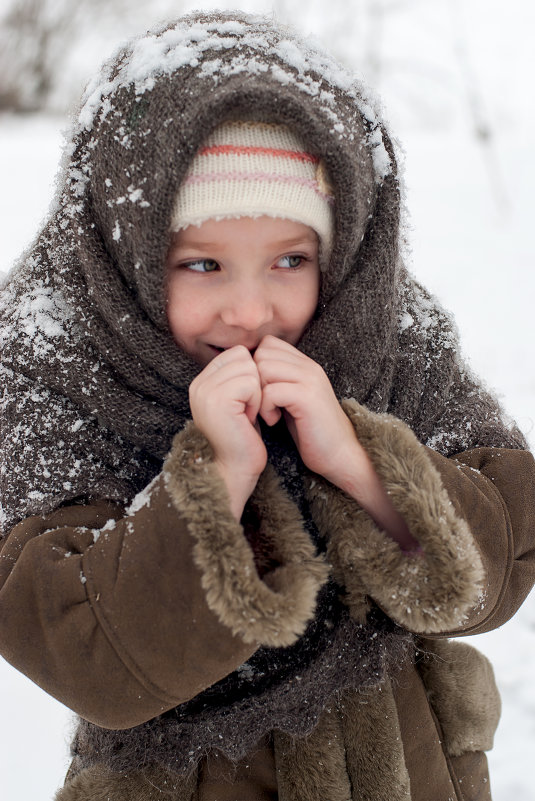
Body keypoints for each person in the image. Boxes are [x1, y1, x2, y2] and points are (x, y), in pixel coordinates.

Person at [0, 10, 534, 801]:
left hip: (406, 767)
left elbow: (507, 548)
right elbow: (83, 650)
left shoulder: (383, 336)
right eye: (203, 263)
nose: (249, 312)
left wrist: (362, 462)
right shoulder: (69, 371)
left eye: (290, 259)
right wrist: (215, 481)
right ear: (131, 255)